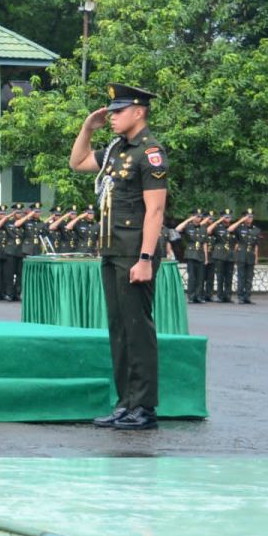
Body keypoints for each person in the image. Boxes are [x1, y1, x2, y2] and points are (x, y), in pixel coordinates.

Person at [70, 82, 169, 431]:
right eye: (110, 111)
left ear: (139, 112)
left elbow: (155, 211)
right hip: (111, 247)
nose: (111, 117)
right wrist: (86, 127)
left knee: (138, 330)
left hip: (134, 252)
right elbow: (78, 161)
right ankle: (125, 403)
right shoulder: (116, 151)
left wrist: (145, 258)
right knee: (119, 329)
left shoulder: (150, 152)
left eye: (118, 111)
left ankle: (144, 407)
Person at [175, 208, 208, 304]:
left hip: (201, 254)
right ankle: (191, 296)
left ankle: (199, 296)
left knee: (200, 277)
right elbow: (177, 229)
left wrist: (206, 258)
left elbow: (205, 243)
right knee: (192, 277)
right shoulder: (189, 227)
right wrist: (189, 220)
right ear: (193, 216)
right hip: (191, 254)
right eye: (197, 216)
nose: (199, 218)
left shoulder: (203, 228)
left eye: (200, 216)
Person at [232, 209, 260, 304]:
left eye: (251, 216)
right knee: (241, 276)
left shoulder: (256, 230)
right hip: (242, 254)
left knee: (249, 277)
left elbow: (256, 245)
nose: (250, 218)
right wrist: (240, 220)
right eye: (248, 216)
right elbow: (230, 229)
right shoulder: (239, 227)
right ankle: (240, 296)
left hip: (251, 255)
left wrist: (256, 257)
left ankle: (247, 296)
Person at [207, 209, 235, 303]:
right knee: (220, 277)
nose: (228, 219)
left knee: (229, 277)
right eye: (226, 217)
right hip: (219, 254)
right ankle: (219, 296)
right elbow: (208, 230)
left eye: (229, 217)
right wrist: (218, 221)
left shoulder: (234, 227)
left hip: (230, 255)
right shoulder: (218, 226)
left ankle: (228, 296)